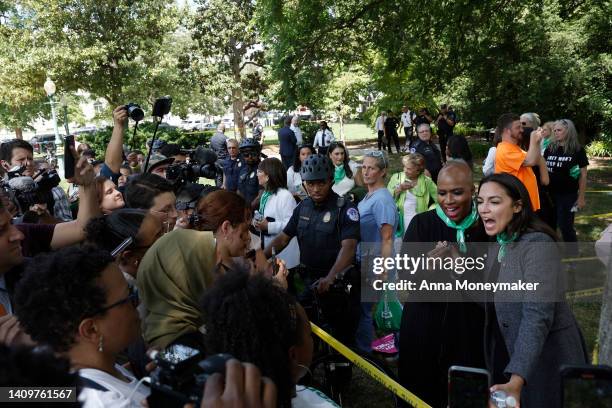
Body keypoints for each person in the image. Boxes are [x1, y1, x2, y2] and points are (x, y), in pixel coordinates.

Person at [477, 173, 588, 407]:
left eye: (494, 202)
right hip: (510, 356)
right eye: (480, 201)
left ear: (517, 206)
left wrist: (516, 380)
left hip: (545, 362)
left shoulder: (538, 246)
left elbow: (537, 315)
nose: (484, 209)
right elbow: (493, 299)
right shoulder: (500, 242)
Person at [398, 160, 487, 408]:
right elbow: (403, 284)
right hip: (424, 328)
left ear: (473, 191)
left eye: (457, 192)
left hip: (470, 330)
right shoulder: (421, 224)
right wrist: (423, 268)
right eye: (442, 192)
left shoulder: (485, 227)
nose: (449, 200)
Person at [14, 246, 149, 407]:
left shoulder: (70, 373)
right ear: (91, 330)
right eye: (130, 298)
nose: (138, 302)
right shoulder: (105, 403)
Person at [201, 269, 338, 408]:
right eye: (309, 334)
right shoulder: (321, 404)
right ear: (293, 355)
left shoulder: (207, 401)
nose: (311, 339)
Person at [264, 154, 360, 345]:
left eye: (321, 183)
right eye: (310, 184)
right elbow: (283, 238)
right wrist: (259, 257)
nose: (315, 189)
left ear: (331, 180)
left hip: (336, 285)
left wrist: (331, 278)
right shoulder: (303, 207)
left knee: (339, 340)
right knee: (306, 332)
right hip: (308, 281)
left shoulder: (345, 209)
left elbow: (348, 248)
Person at [137, 228, 216, 350]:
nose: (215, 275)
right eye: (204, 266)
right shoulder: (184, 347)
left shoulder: (154, 331)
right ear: (188, 278)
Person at [356, 150, 397, 353]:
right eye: (364, 167)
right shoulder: (369, 194)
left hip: (374, 263)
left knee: (365, 311)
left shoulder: (382, 199)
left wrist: (383, 271)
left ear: (382, 172)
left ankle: (366, 353)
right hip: (364, 259)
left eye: (371, 168)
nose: (366, 171)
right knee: (364, 310)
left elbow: (387, 237)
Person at [544, 119, 588, 256]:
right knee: (549, 225)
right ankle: (551, 252)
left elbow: (583, 176)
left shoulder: (577, 150)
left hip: (568, 195)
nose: (556, 133)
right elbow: (543, 168)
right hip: (549, 195)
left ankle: (573, 254)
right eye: (555, 130)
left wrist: (581, 197)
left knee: (566, 227)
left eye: (559, 130)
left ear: (568, 131)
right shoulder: (550, 148)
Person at [85, 209, 163, 285]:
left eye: (163, 230)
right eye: (158, 236)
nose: (167, 238)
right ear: (129, 257)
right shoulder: (125, 292)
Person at [254, 158, 300, 269]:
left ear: (268, 175)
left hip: (285, 255)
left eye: (259, 172)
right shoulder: (266, 194)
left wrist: (268, 226)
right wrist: (257, 223)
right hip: (271, 249)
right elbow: (266, 216)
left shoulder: (285, 196)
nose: (257, 175)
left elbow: (291, 225)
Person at [494, 113, 543, 211]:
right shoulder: (505, 150)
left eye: (521, 126)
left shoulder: (514, 148)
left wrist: (537, 141)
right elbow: (531, 161)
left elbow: (536, 159)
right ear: (507, 131)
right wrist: (533, 140)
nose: (522, 130)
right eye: (518, 127)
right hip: (517, 206)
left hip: (524, 205)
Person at [387, 153, 437, 240]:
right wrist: (399, 189)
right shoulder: (397, 178)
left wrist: (430, 211)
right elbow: (386, 199)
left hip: (420, 221)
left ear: (418, 170)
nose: (405, 170)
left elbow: (440, 199)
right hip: (402, 220)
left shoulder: (426, 181)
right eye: (404, 167)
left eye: (408, 169)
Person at [237, 138, 263, 209]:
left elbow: (261, 196)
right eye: (246, 155)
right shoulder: (243, 170)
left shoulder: (262, 170)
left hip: (257, 211)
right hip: (243, 209)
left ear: (258, 154)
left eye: (253, 154)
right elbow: (239, 191)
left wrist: (249, 209)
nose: (250, 157)